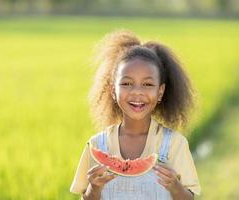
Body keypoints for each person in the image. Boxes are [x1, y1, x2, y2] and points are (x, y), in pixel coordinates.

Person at [70, 30, 201, 200]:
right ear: (113, 91)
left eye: (147, 84)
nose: (137, 92)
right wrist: (93, 189)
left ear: (160, 92)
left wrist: (175, 187)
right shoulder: (97, 145)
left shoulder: (174, 145)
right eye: (126, 83)